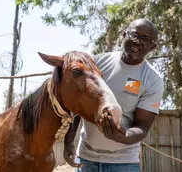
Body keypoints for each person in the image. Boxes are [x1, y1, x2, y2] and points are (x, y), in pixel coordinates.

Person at [63, 18, 164, 172]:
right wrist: (69, 142)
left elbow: (142, 127)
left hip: (124, 163)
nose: (137, 42)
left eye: (145, 39)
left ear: (152, 47)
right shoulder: (96, 64)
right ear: (124, 34)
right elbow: (78, 106)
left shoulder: (152, 80)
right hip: (86, 159)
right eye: (134, 35)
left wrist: (122, 136)